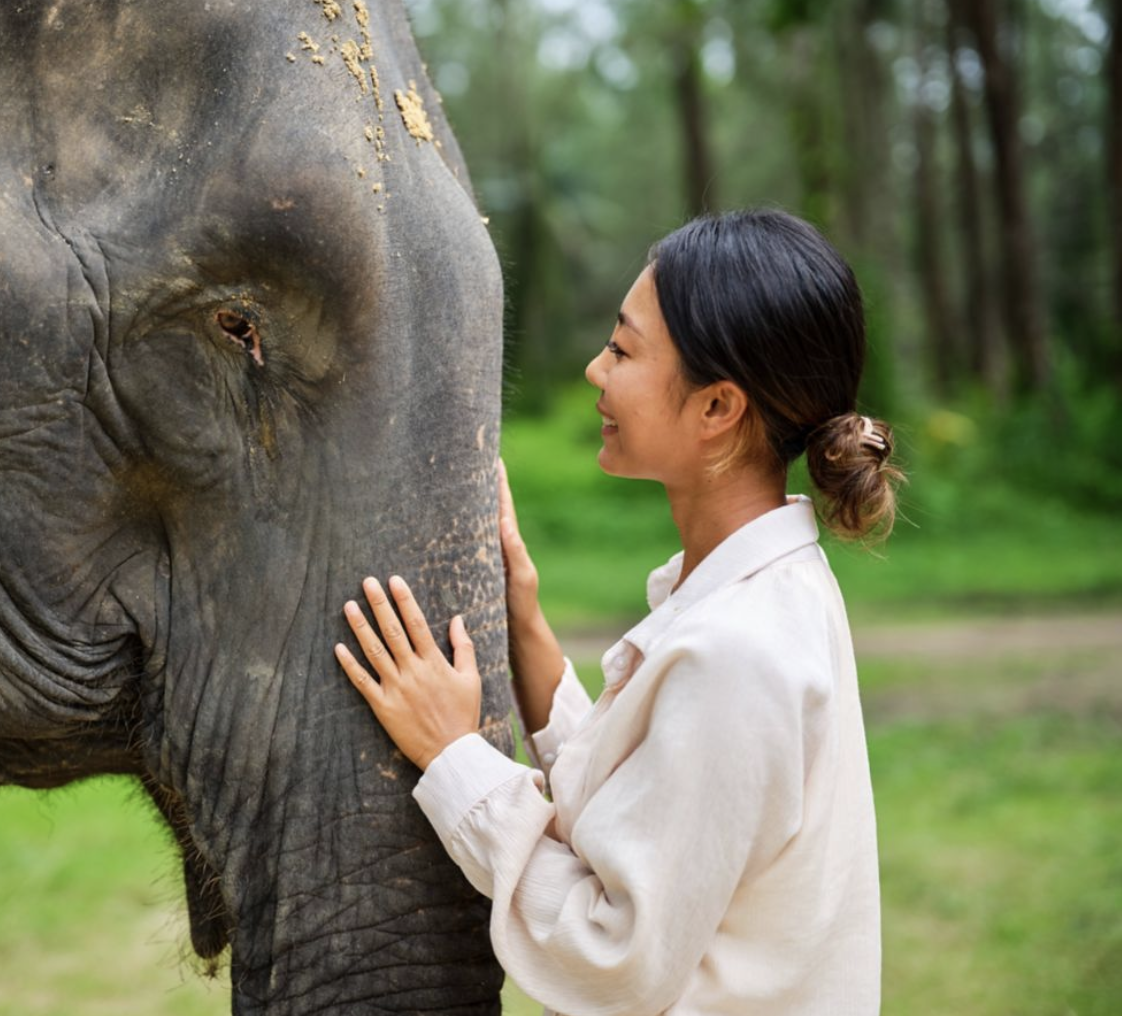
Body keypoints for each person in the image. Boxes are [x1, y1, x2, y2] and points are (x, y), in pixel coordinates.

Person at [334, 208, 901, 1016]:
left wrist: (451, 754)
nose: (596, 370)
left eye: (624, 350)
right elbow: (650, 810)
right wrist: (526, 625)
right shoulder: (767, 593)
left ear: (717, 409)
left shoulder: (739, 651)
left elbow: (616, 954)